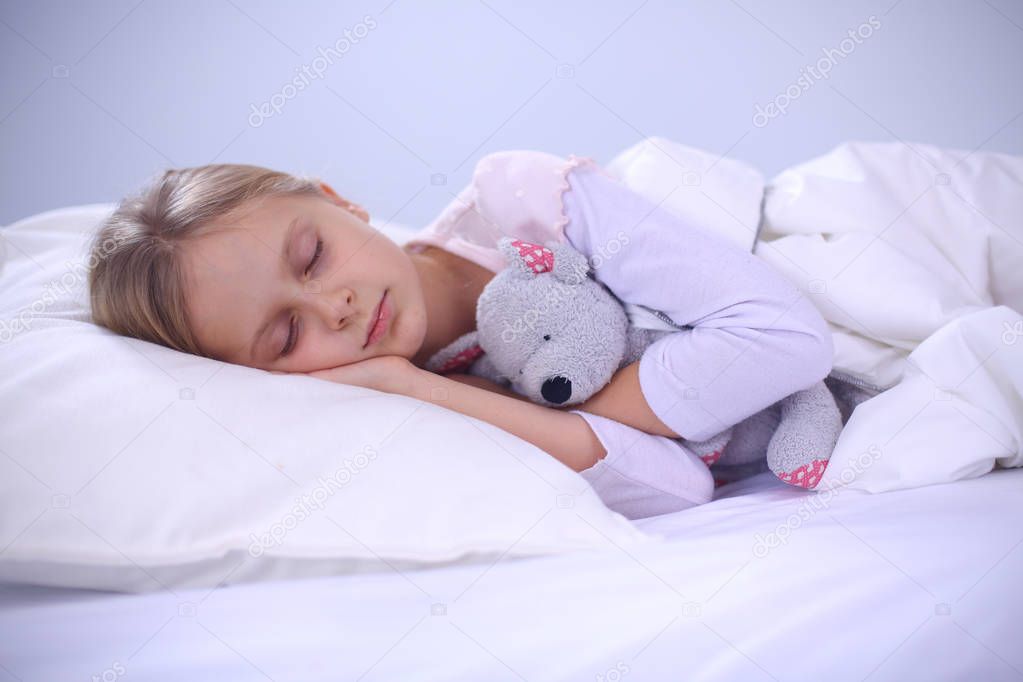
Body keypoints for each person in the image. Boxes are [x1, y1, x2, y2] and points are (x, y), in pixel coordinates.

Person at [87, 150, 833, 519]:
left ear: (338, 199)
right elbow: (679, 487)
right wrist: (417, 389)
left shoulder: (525, 204)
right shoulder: (431, 396)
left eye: (311, 256)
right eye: (284, 335)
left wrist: (565, 415)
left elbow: (784, 338)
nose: (334, 307)